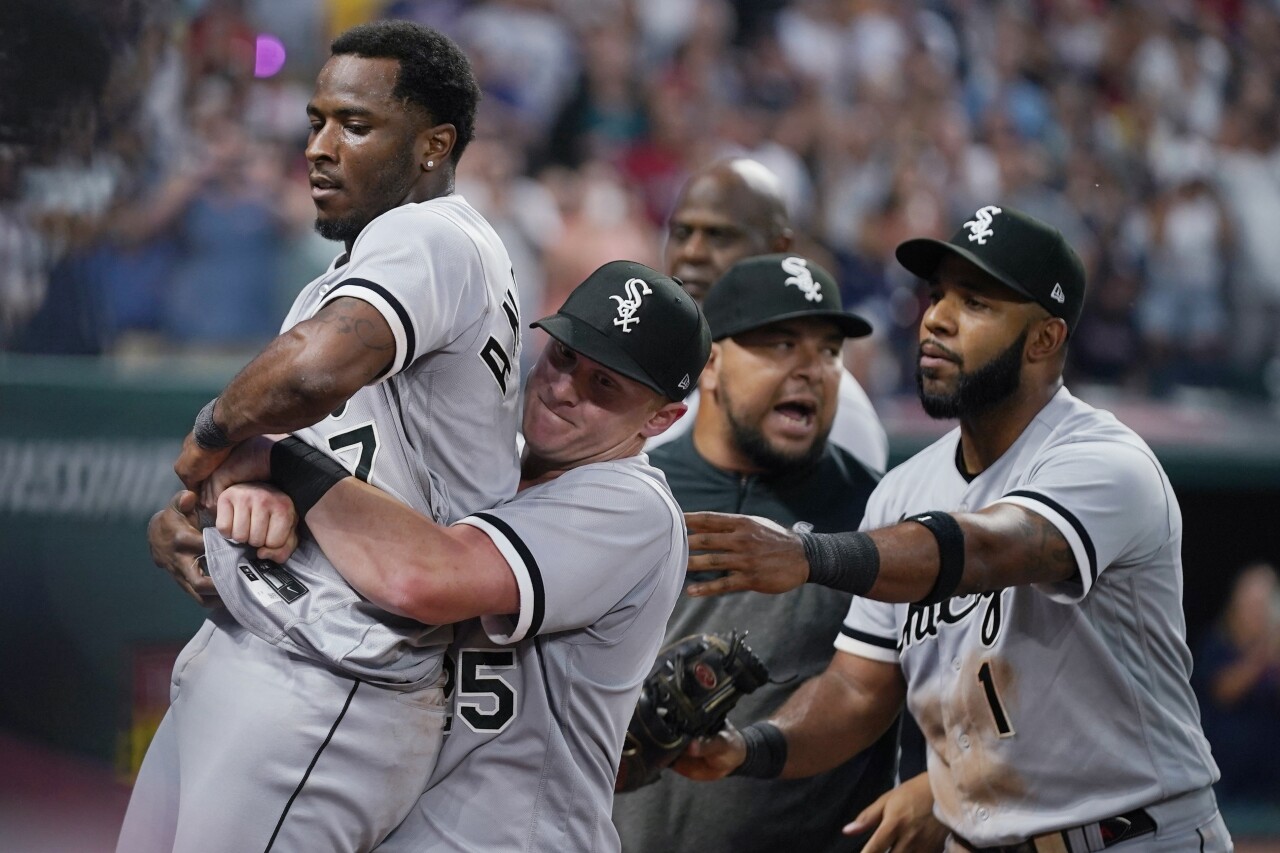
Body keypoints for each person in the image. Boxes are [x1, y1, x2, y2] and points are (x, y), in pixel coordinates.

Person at [676, 205, 1232, 852]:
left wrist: (807, 554)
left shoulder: (1106, 462)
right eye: (937, 293)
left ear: (1044, 339)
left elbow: (992, 546)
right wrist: (748, 747)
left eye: (976, 301)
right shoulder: (904, 489)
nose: (936, 317)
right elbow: (857, 690)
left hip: (1133, 837)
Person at [119, 21, 523, 851]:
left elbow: (312, 373)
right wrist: (203, 506)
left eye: (356, 124)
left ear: (432, 146)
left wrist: (203, 445)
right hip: (277, 652)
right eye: (315, 122)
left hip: (325, 680)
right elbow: (321, 443)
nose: (320, 147)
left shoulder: (432, 232)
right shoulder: (388, 257)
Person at [151, 261, 712, 852]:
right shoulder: (489, 464)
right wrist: (217, 518)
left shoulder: (633, 504)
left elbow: (423, 577)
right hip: (411, 823)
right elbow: (352, 540)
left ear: (661, 418)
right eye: (565, 356)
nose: (564, 388)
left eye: (605, 386)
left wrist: (281, 461)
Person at [612, 254, 948, 852]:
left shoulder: (880, 516)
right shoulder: (628, 494)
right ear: (710, 364)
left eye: (828, 351)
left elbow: (928, 691)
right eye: (781, 344)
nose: (811, 370)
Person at [646, 157, 889, 476]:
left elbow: (853, 518)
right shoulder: (645, 357)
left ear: (779, 249)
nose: (692, 252)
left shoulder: (827, 405)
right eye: (681, 232)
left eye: (720, 236)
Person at [1194, 562, 1280, 805]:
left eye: (1264, 604)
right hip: (1227, 778)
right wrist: (1261, 655)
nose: (1257, 612)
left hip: (1270, 778)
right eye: (1251, 603)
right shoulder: (1217, 643)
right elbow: (1224, 692)